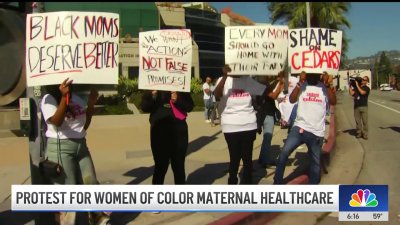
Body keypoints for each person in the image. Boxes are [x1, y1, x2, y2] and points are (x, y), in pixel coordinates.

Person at [41, 78, 109, 225]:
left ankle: (97, 218)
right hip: (61, 147)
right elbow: (57, 122)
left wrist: (91, 103)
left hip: (81, 145)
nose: (69, 84)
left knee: (91, 183)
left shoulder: (76, 98)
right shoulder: (48, 99)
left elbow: (84, 125)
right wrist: (64, 98)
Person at [273, 72, 336, 184]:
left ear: (319, 75)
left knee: (315, 163)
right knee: (284, 153)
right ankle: (277, 182)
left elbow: (333, 101)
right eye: (309, 74)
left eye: (314, 74)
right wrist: (299, 84)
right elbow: (292, 100)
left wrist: (327, 84)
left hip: (316, 132)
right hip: (299, 128)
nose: (311, 76)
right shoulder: (302, 85)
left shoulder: (323, 87)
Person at [213, 65, 271, 184]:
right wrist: (225, 76)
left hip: (248, 124)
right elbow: (216, 95)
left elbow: (266, 91)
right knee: (234, 158)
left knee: (247, 159)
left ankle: (247, 184)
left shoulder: (248, 80)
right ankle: (232, 181)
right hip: (230, 125)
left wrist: (273, 78)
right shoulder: (224, 80)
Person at [141, 90, 194, 184]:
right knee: (160, 167)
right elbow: (144, 107)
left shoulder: (180, 87)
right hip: (159, 131)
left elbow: (189, 106)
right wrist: (153, 96)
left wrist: (177, 100)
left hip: (179, 130)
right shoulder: (153, 87)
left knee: (179, 167)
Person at [257, 73, 285, 168]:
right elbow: (273, 96)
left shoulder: (263, 85)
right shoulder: (264, 86)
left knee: (266, 139)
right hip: (266, 115)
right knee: (267, 138)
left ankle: (262, 158)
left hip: (263, 114)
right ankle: (265, 160)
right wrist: (280, 84)